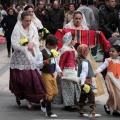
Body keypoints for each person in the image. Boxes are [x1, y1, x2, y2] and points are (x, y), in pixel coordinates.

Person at [9, 11, 46, 110]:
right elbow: (14, 43)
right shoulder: (17, 29)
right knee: (22, 79)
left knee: (32, 78)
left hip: (31, 55)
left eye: (30, 20)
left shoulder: (32, 27)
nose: (29, 23)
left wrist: (32, 44)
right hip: (20, 57)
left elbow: (36, 39)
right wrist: (24, 46)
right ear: (21, 20)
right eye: (26, 21)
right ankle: (24, 97)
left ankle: (33, 98)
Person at [35, 35, 62, 117]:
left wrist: (59, 71)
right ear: (48, 44)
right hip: (45, 74)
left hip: (52, 74)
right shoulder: (41, 53)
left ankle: (44, 102)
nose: (55, 47)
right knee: (49, 92)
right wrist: (44, 62)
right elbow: (37, 65)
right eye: (53, 45)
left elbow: (55, 63)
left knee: (55, 92)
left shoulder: (53, 52)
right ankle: (49, 111)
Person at [54, 32, 81, 111]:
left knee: (73, 87)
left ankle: (73, 103)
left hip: (73, 70)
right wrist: (60, 71)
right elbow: (61, 62)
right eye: (75, 39)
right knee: (68, 88)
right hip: (67, 71)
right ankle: (68, 105)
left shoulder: (72, 48)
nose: (76, 41)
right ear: (71, 40)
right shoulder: (65, 49)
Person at [95, 44, 120, 116]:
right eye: (110, 51)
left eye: (113, 51)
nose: (111, 52)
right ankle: (108, 106)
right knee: (112, 94)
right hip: (109, 79)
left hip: (117, 80)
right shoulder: (108, 60)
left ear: (118, 53)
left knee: (118, 94)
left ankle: (115, 110)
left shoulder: (119, 61)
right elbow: (102, 67)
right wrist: (96, 71)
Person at [77, 44, 101, 117]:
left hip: (84, 81)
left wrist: (93, 73)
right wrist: (82, 83)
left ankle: (81, 111)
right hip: (85, 82)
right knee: (91, 96)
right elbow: (84, 73)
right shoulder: (85, 61)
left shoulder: (80, 60)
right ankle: (92, 112)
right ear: (85, 52)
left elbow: (84, 72)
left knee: (83, 96)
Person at [99, 0, 120, 78]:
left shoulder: (116, 11)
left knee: (115, 53)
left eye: (114, 1)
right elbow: (102, 25)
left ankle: (115, 70)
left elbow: (118, 23)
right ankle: (105, 73)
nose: (113, 3)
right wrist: (111, 33)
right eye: (111, 1)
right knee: (107, 53)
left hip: (115, 36)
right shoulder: (102, 11)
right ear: (107, 2)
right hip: (106, 35)